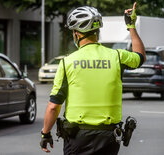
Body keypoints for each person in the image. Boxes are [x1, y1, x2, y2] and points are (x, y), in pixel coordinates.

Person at [40, 2, 145, 155]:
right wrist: (131, 26)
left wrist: (45, 133)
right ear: (97, 31)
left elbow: (53, 106)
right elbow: (140, 56)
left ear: (76, 33)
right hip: (109, 136)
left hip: (77, 137)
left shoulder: (67, 62)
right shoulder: (117, 56)